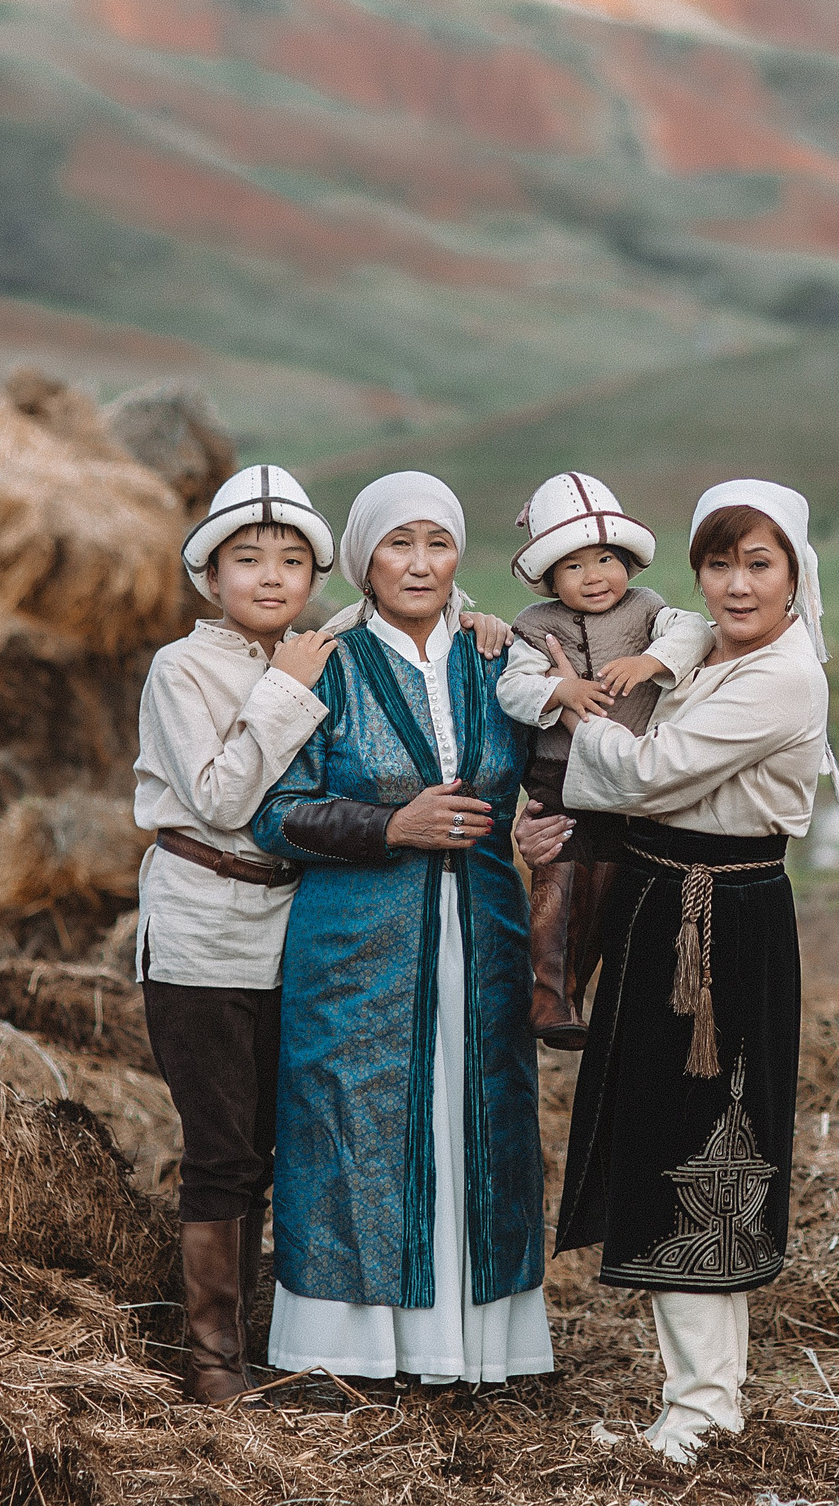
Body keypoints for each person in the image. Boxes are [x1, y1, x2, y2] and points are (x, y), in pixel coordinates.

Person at [534, 478, 839, 1465]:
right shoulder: (711, 646)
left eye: (758, 563)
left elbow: (643, 774)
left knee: (708, 1148)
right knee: (671, 1139)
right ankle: (697, 1397)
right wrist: (662, 650)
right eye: (718, 562)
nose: (735, 584)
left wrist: (559, 701)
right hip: (666, 901)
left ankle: (705, 1411)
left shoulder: (785, 680)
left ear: (797, 571)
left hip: (718, 925)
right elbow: (673, 629)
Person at [250, 471, 552, 1388]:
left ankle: (473, 1349)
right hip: (354, 947)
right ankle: (350, 1352)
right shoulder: (325, 666)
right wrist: (391, 826)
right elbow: (276, 813)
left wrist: (541, 822)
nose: (420, 563)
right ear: (363, 560)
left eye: (439, 543)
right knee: (354, 1120)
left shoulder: (499, 659)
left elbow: (549, 771)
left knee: (483, 1118)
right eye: (398, 544)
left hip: (485, 932)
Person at [131, 464, 340, 1405]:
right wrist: (287, 692)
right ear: (210, 577)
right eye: (246, 558)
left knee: (281, 1141)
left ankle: (276, 1343)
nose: (269, 576)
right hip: (204, 925)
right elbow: (219, 798)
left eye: (291, 560)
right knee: (223, 1145)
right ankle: (213, 1358)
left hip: (290, 923)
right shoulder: (184, 666)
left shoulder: (313, 652)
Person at [493, 471, 714, 1048]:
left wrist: (650, 663)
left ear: (629, 562)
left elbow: (694, 632)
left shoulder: (648, 611)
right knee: (559, 882)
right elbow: (512, 688)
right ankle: (550, 996)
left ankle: (585, 994)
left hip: (624, 784)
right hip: (560, 781)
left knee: (612, 887)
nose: (593, 577)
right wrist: (558, 691)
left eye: (605, 559)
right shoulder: (534, 626)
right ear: (548, 578)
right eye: (573, 566)